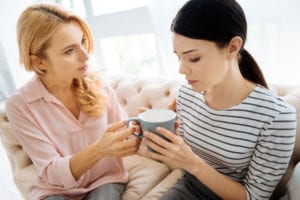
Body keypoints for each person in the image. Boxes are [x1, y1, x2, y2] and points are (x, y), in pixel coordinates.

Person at [141, 0, 297, 199]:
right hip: (188, 188)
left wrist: (192, 163)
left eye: (193, 58)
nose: (181, 69)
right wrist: (157, 136)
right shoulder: (186, 94)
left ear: (232, 47)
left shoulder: (277, 117)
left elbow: (254, 197)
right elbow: (183, 158)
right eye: (178, 57)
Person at [5, 3, 140, 200]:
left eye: (83, 42)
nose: (85, 55)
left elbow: (125, 131)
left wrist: (143, 127)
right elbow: (52, 172)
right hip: (55, 190)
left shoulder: (98, 82)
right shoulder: (19, 105)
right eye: (69, 51)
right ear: (39, 61)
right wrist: (99, 149)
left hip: (106, 179)